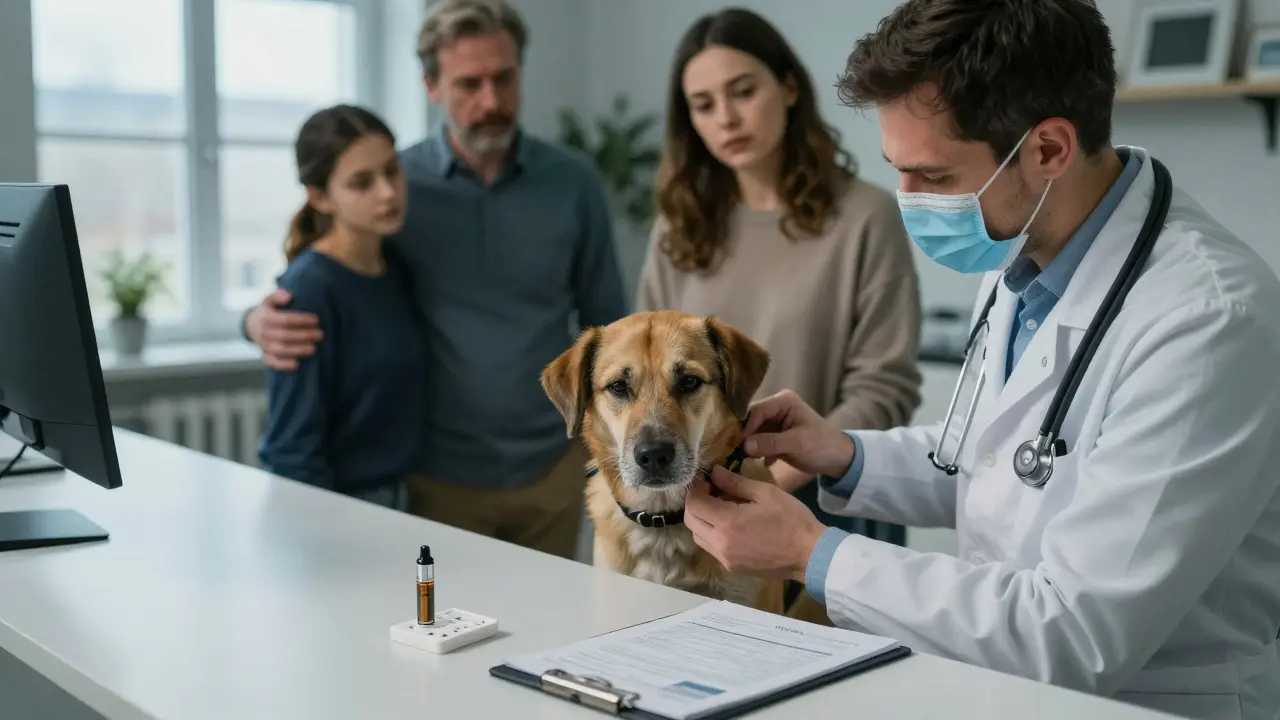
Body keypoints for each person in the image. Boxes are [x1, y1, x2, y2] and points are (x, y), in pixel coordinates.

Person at [680, 1, 1280, 717]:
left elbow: (1073, 633)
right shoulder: (1018, 256)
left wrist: (813, 553)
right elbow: (1007, 459)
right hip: (1000, 687)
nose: (908, 202)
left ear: (1049, 150)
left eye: (933, 179)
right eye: (897, 171)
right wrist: (840, 453)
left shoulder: (1206, 321)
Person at [242, 0, 628, 558]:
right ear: (431, 85)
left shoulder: (574, 184)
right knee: (440, 634)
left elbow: (609, 328)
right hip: (434, 482)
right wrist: (253, 320)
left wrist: (596, 459)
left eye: (504, 78)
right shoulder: (395, 185)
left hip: (553, 472)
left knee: (552, 638)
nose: (491, 101)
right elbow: (327, 268)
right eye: (469, 83)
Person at [635, 8, 922, 553]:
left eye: (743, 91)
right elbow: (647, 377)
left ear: (789, 87)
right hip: (696, 504)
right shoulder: (678, 227)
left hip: (830, 510)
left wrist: (771, 482)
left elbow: (884, 389)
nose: (726, 118)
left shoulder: (866, 216)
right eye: (704, 105)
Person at [257, 104, 424, 510]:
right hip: (337, 505)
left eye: (391, 170)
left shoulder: (397, 267)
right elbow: (292, 448)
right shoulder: (311, 289)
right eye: (361, 182)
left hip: (401, 497)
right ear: (320, 197)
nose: (387, 192)